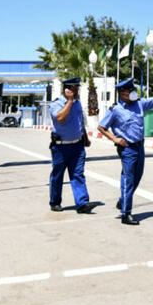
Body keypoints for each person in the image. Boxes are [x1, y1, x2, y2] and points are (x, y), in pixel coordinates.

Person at [98, 78, 153, 225]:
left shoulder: (139, 104)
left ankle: (123, 200)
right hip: (127, 148)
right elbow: (101, 127)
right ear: (122, 93)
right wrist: (115, 139)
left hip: (139, 147)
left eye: (133, 89)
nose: (133, 92)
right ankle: (126, 214)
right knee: (128, 179)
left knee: (136, 177)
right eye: (129, 90)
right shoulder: (115, 110)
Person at [48, 77, 94, 214]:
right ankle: (55, 202)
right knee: (58, 176)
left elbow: (80, 122)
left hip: (77, 146)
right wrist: (69, 101)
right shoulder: (56, 104)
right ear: (66, 90)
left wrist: (85, 137)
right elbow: (60, 118)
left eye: (77, 88)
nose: (77, 90)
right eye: (74, 88)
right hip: (61, 147)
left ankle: (82, 203)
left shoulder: (78, 103)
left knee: (78, 174)